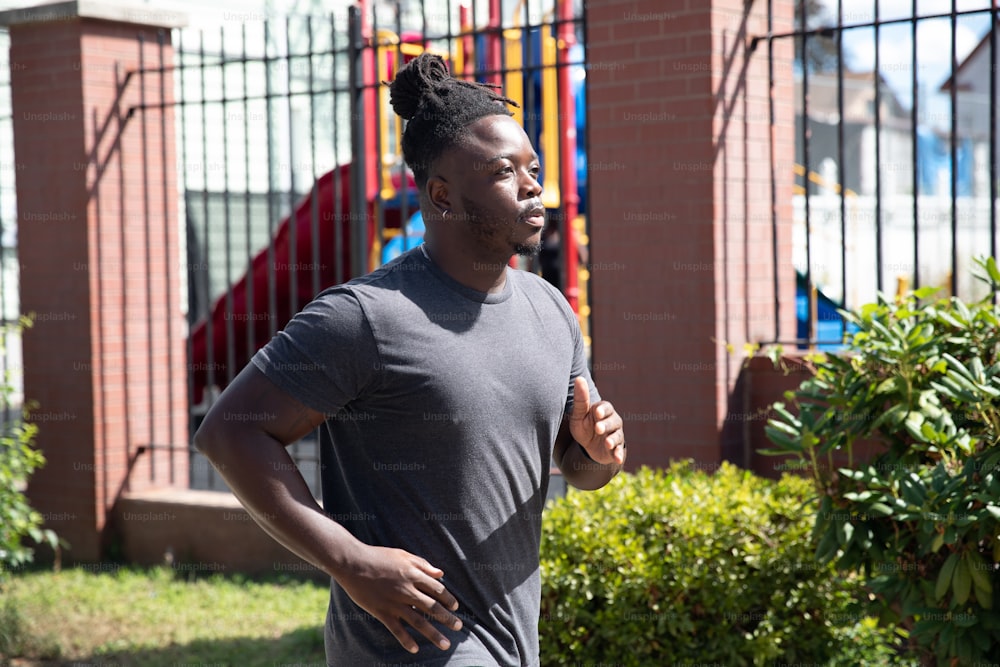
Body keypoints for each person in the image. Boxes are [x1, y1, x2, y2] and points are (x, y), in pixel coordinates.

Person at [194, 52, 625, 666]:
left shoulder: (549, 308)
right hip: (410, 647)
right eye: (505, 172)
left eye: (533, 167)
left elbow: (576, 468)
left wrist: (596, 453)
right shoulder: (366, 316)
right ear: (443, 197)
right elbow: (229, 435)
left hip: (515, 643)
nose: (533, 185)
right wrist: (351, 561)